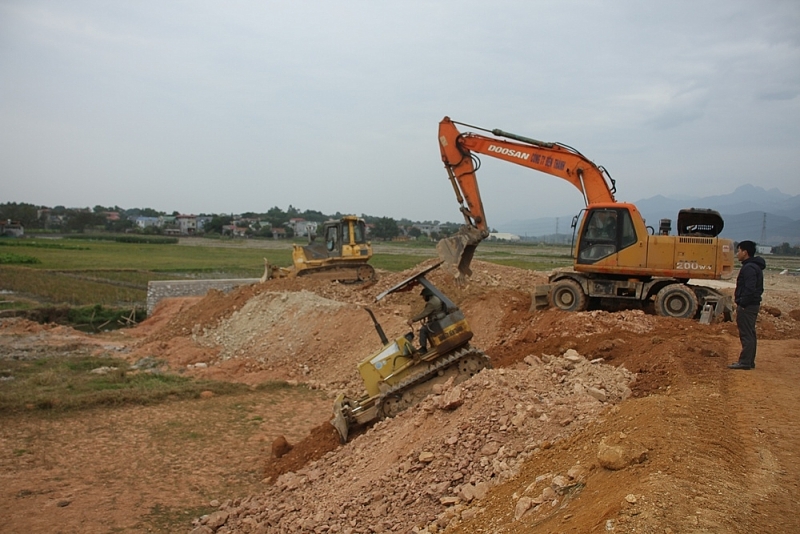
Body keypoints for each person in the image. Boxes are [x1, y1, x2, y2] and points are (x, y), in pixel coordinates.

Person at [728, 240, 766, 370]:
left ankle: (744, 362)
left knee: (746, 334)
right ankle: (749, 361)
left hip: (748, 306)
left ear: (745, 252)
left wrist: (742, 302)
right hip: (752, 305)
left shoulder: (749, 268)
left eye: (738, 251)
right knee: (750, 333)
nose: (737, 253)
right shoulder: (754, 267)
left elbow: (750, 288)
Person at [407, 286, 446, 353]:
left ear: (427, 295)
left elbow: (424, 313)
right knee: (426, 328)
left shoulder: (431, 303)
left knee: (423, 330)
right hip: (438, 319)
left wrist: (413, 320)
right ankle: (433, 344)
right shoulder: (435, 298)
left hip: (436, 321)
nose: (423, 298)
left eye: (424, 296)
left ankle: (423, 348)